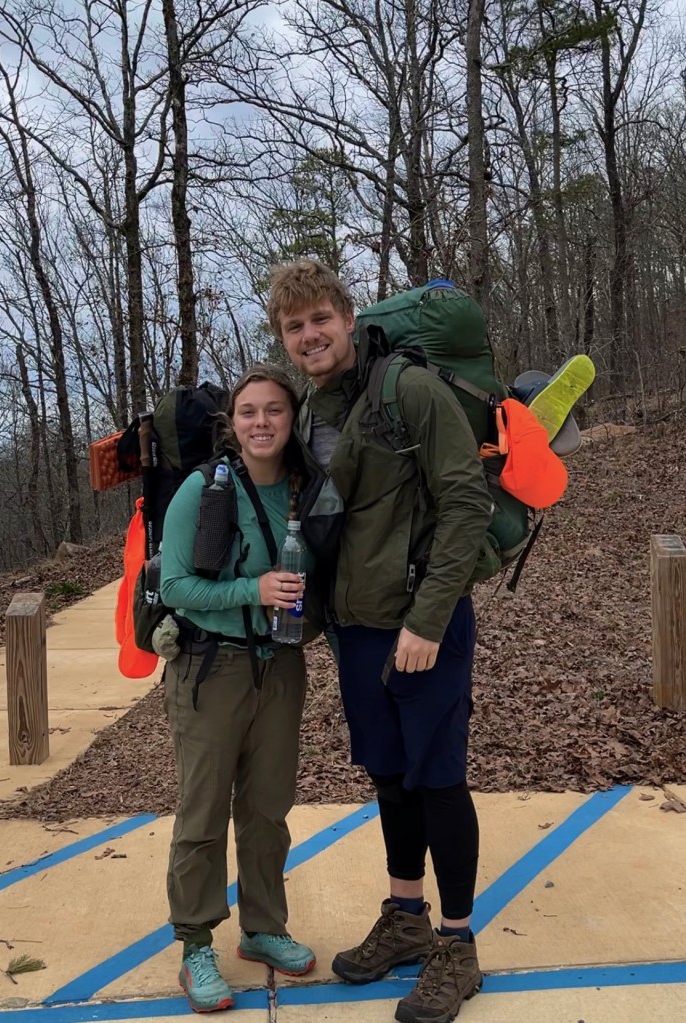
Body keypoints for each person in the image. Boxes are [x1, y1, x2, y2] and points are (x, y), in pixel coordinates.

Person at [268, 260, 494, 1023]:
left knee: (438, 778)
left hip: (422, 624)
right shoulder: (309, 410)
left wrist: (427, 619)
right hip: (358, 630)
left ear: (346, 315)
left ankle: (456, 945)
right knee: (390, 777)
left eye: (318, 319)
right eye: (294, 326)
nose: (309, 335)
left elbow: (464, 501)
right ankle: (405, 917)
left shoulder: (408, 388)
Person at [160, 364, 317, 1013]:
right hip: (211, 668)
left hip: (279, 666)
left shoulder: (308, 487)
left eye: (274, 409)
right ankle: (196, 943)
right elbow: (175, 586)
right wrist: (252, 590)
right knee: (202, 813)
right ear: (233, 421)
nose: (261, 422)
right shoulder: (203, 489)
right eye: (249, 410)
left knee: (267, 808)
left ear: (292, 417)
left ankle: (262, 927)